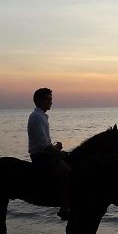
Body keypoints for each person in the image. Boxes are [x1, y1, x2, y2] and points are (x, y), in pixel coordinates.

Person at [27, 88, 71, 220]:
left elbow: (44, 142)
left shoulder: (40, 116)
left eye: (51, 99)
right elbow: (43, 145)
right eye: (49, 99)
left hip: (44, 153)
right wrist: (57, 150)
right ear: (40, 100)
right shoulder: (37, 117)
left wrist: (56, 149)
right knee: (68, 172)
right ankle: (64, 207)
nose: (51, 102)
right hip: (41, 156)